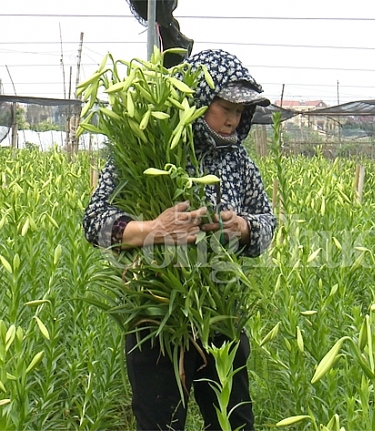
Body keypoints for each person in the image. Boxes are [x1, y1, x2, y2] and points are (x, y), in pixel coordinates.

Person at [82, 49, 277, 431]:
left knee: (233, 423)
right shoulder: (146, 150)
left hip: (220, 316)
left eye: (241, 111)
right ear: (198, 100)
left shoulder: (239, 162)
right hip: (155, 318)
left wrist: (244, 228)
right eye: (225, 107)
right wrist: (153, 229)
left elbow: (267, 222)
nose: (233, 120)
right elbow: (94, 222)